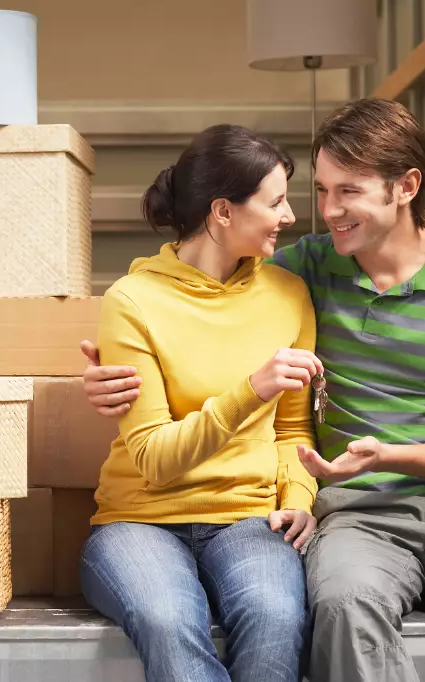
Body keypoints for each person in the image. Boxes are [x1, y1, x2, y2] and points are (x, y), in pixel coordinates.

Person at [79, 98, 425, 682]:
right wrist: (99, 375)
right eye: (319, 190)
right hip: (358, 515)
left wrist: (385, 456)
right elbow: (199, 286)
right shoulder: (301, 272)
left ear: (406, 186)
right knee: (343, 609)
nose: (323, 212)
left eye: (346, 191)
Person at [81, 123, 326, 682]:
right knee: (168, 620)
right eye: (276, 202)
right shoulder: (133, 301)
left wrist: (299, 495)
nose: (289, 217)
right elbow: (154, 460)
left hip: (248, 518)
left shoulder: (289, 296)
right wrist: (251, 389)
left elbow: (292, 431)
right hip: (139, 522)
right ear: (223, 212)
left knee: (277, 618)